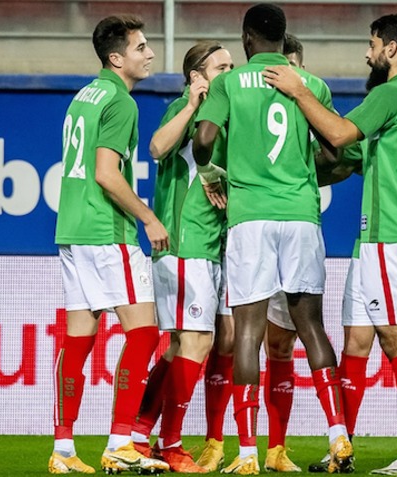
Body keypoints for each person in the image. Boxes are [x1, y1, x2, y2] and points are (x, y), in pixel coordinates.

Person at [264, 12, 397, 475]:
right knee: (360, 339)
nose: (368, 53)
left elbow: (340, 134)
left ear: (392, 49)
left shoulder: (390, 94)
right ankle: (348, 448)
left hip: (393, 235)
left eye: (373, 44)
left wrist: (300, 91)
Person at [194, 4, 354, 475]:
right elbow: (336, 152)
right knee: (312, 328)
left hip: (250, 218)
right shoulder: (311, 84)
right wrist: (300, 173)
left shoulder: (228, 83)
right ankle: (338, 436)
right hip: (301, 216)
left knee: (248, 332)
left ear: (247, 38)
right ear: (284, 39)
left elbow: (203, 139)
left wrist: (210, 171)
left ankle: (246, 453)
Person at [49, 14, 170, 475]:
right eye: (141, 48)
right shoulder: (121, 101)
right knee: (144, 332)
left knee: (78, 339)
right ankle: (121, 442)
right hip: (105, 231)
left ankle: (63, 449)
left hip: (71, 229)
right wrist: (149, 217)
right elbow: (105, 173)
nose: (150, 53)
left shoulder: (85, 95)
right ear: (117, 58)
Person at [128, 40, 234, 474]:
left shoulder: (224, 114)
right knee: (196, 342)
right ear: (197, 76)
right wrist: (191, 104)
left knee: (177, 347)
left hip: (208, 245)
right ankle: (170, 444)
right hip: (185, 245)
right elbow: (156, 147)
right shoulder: (186, 108)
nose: (230, 73)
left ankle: (139, 433)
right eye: (221, 67)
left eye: (232, 66)